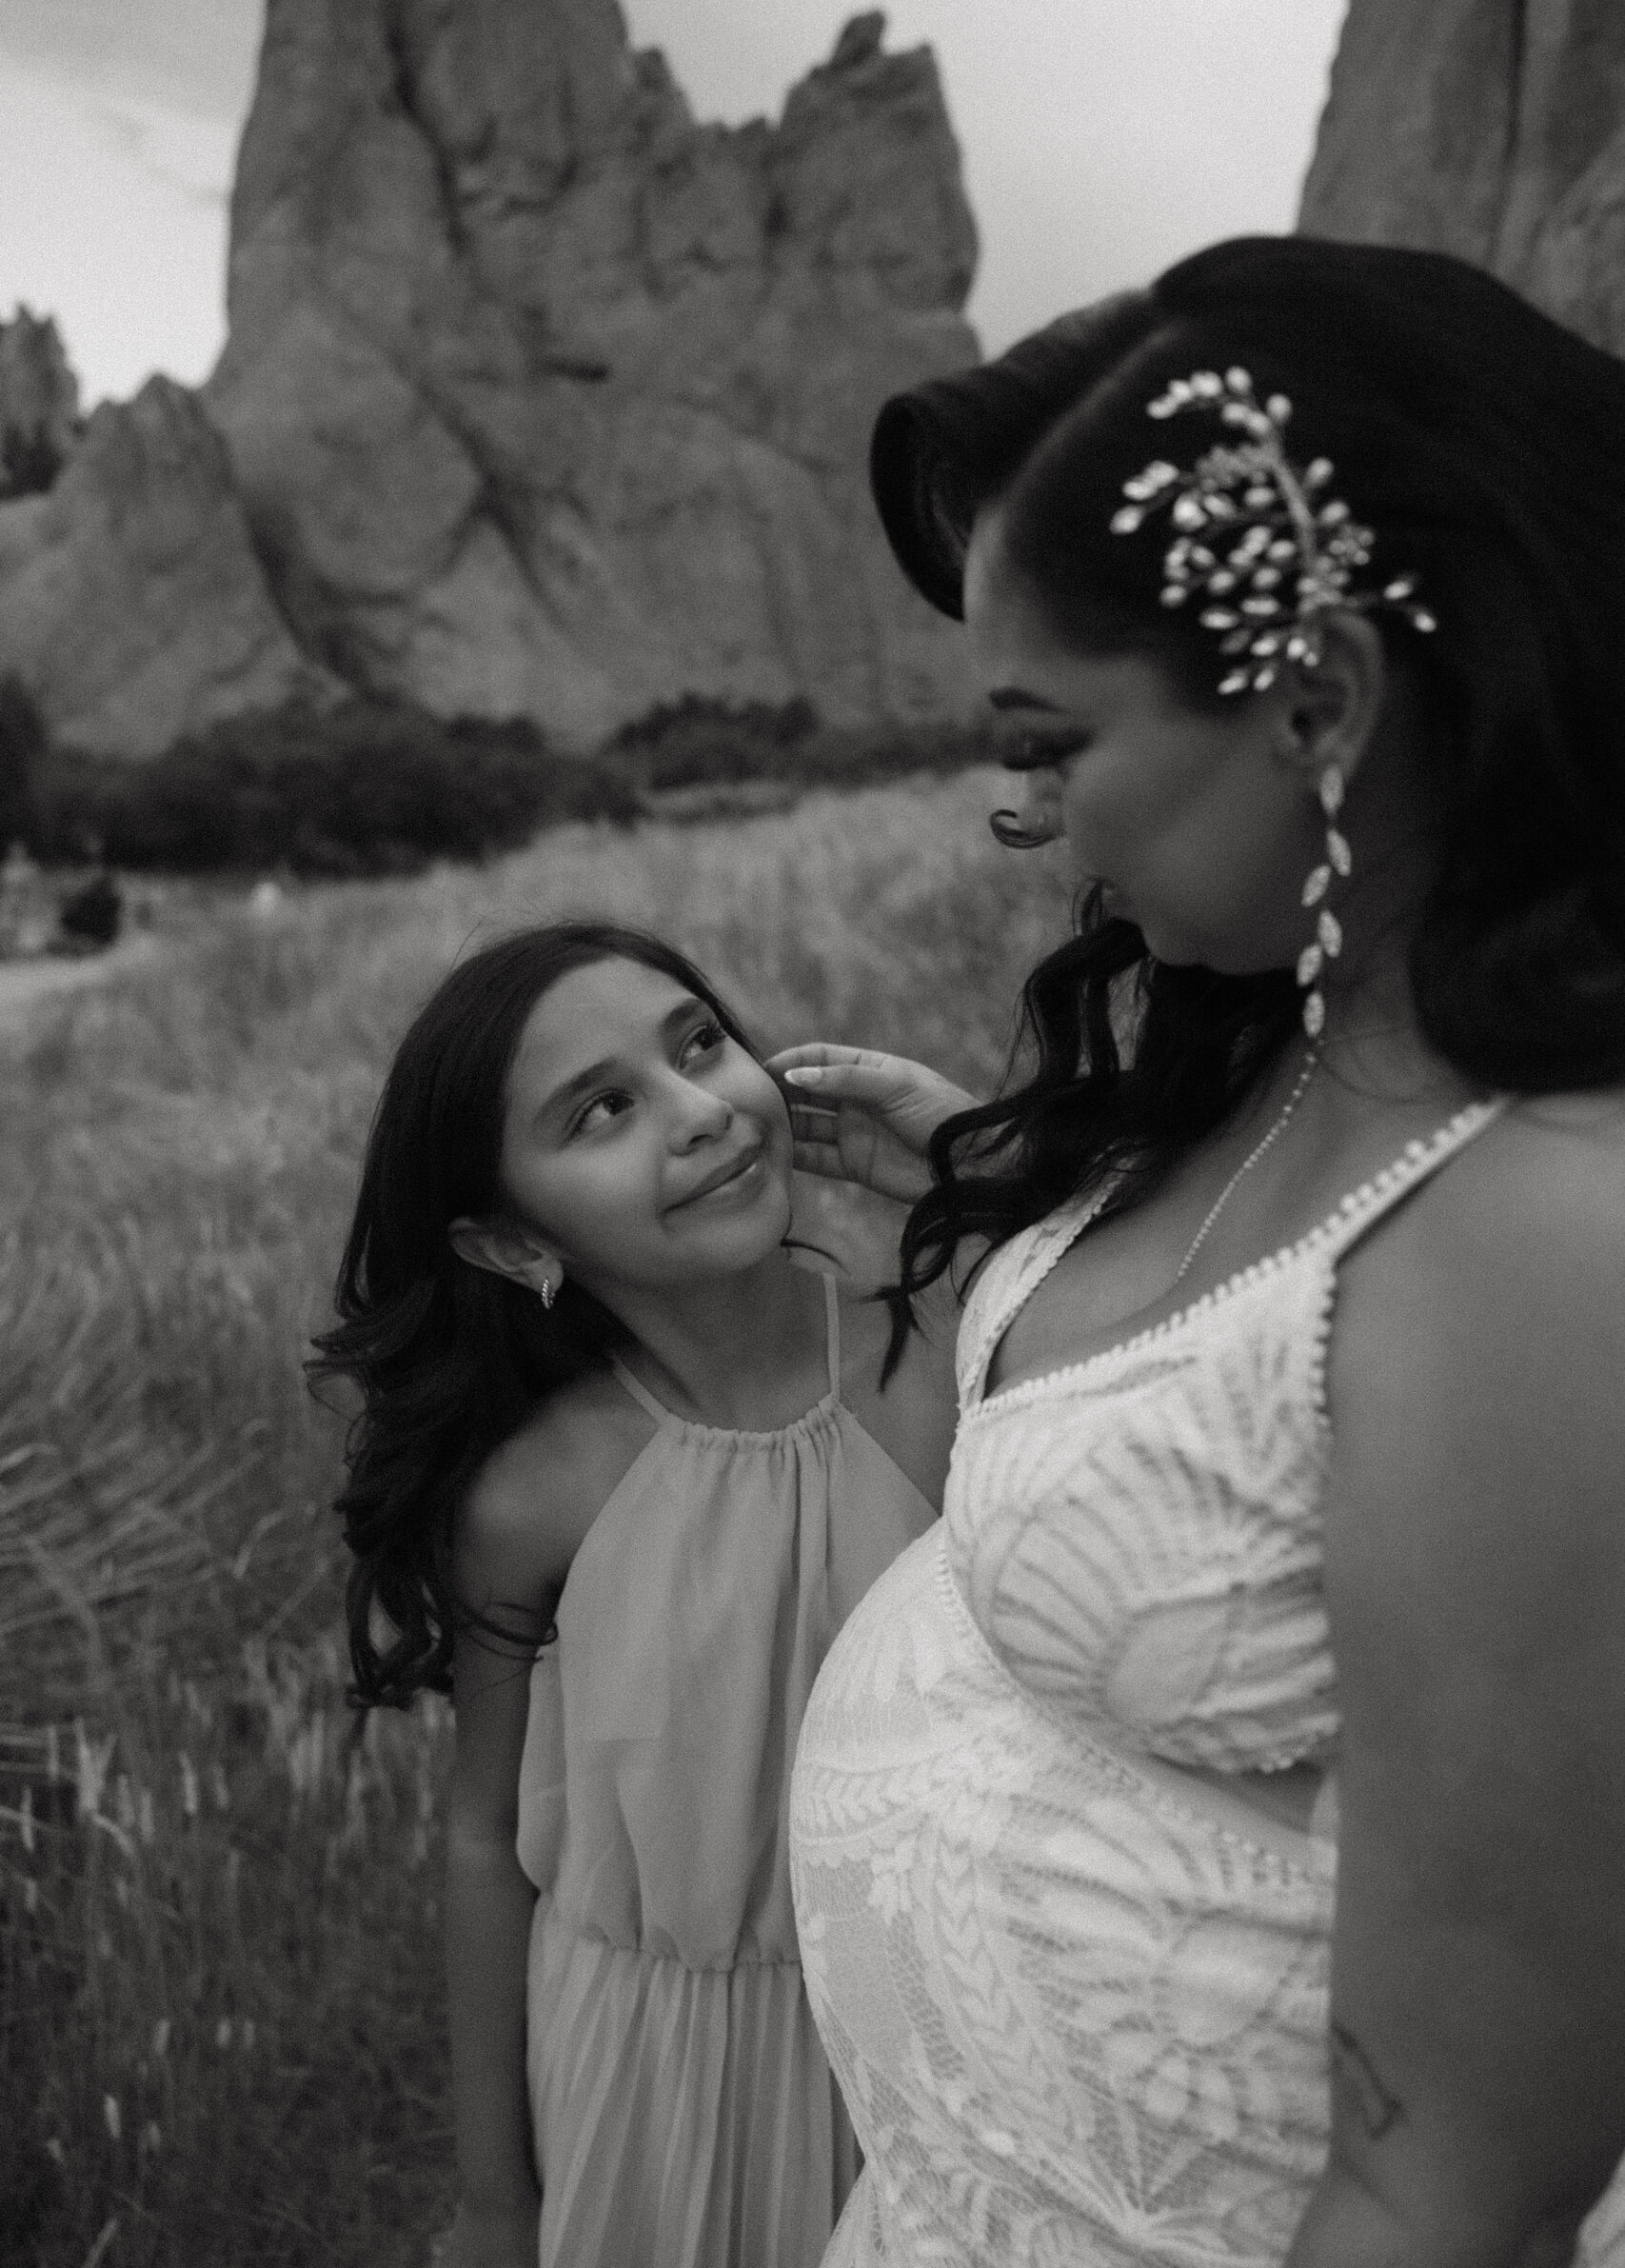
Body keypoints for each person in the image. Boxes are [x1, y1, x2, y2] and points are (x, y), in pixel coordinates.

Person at [778, 236, 1625, 2266]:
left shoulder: (1539, 1238)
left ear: (1320, 698)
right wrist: (992, 1218)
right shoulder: (1263, 1032)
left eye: (1050, 745)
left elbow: (1450, 2185)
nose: (1042, 834)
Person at [310, 922, 956, 2268]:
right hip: (649, 2074)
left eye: (701, 1045)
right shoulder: (538, 1495)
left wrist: (982, 1167)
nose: (700, 1113)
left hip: (933, 2041)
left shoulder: (948, 1361)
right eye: (603, 1109)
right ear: (505, 1242)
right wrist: (496, 2201)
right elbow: (488, 1838)